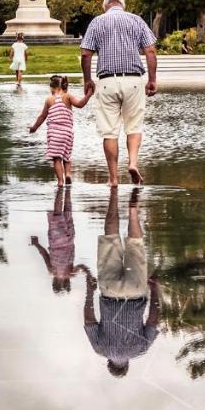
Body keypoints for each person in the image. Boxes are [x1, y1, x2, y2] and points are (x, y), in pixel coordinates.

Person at [80, 0, 158, 187]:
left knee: (110, 132)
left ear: (105, 5)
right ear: (123, 4)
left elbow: (85, 54)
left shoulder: (97, 22)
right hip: (133, 80)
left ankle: (113, 179)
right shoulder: (136, 20)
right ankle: (132, 163)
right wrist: (152, 80)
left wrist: (88, 80)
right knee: (134, 127)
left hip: (107, 82)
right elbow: (150, 51)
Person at [82, 187, 161, 378]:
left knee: (135, 245)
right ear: (109, 363)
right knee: (110, 239)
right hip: (109, 292)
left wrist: (155, 290)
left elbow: (153, 320)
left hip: (136, 292)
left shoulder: (140, 350)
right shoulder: (100, 349)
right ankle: (114, 196)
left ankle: (133, 214)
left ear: (126, 366)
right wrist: (90, 291)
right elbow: (89, 321)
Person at [29, 74, 91, 188]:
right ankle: (67, 174)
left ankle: (60, 182)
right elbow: (80, 104)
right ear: (63, 86)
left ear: (52, 88)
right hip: (67, 133)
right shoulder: (68, 97)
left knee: (57, 159)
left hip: (54, 133)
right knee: (67, 157)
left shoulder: (49, 99)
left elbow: (42, 116)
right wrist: (89, 94)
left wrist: (34, 128)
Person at [31, 185, 80, 294]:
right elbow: (44, 254)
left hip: (70, 239)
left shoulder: (70, 273)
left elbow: (81, 266)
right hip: (56, 240)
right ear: (54, 283)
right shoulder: (51, 271)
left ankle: (67, 189)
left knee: (68, 212)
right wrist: (36, 244)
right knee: (57, 214)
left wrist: (83, 271)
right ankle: (60, 189)